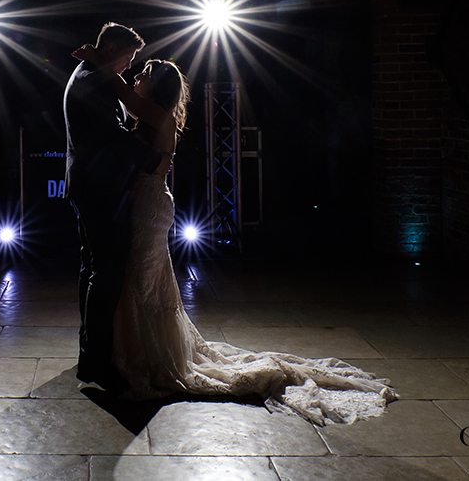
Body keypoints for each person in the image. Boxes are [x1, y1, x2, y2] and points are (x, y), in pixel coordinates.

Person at [71, 44, 397, 426]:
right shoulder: (148, 116)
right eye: (135, 73)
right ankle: (129, 351)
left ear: (157, 88)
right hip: (141, 203)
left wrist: (100, 63)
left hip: (149, 207)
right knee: (140, 281)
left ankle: (145, 356)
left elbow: (124, 96)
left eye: (142, 74)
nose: (134, 77)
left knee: (141, 280)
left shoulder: (155, 114)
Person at [63, 22, 171, 393]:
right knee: (105, 274)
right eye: (127, 58)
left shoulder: (90, 73)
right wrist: (152, 158)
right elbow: (113, 137)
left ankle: (90, 353)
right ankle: (95, 362)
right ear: (110, 49)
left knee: (92, 269)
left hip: (89, 186)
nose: (128, 66)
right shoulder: (95, 80)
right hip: (99, 189)